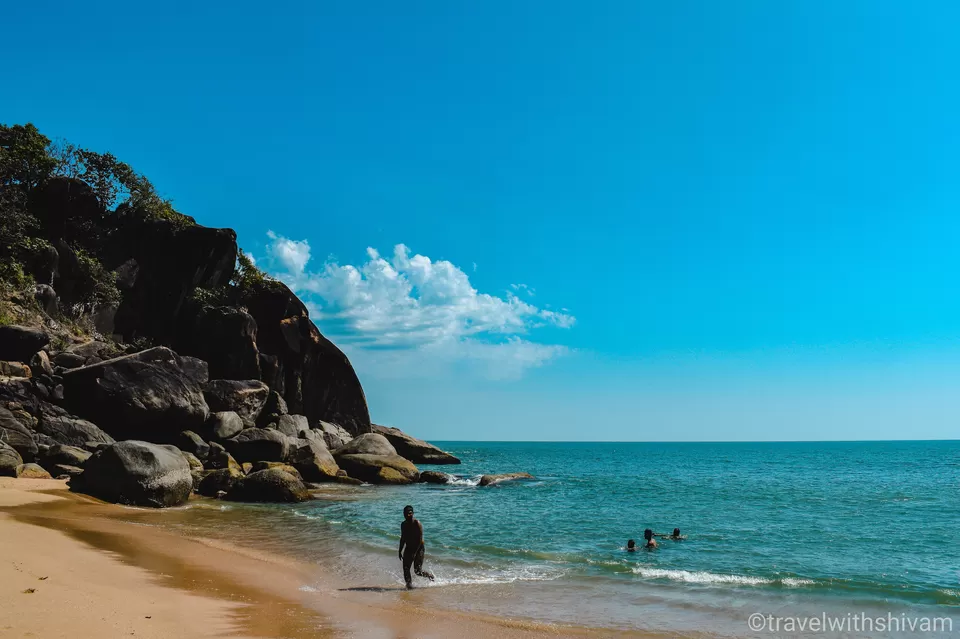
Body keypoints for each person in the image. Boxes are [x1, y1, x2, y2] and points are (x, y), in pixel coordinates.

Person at [398, 505, 435, 588]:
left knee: (417, 571)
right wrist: (400, 550)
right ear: (403, 514)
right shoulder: (403, 524)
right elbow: (403, 538)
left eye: (410, 513)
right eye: (406, 514)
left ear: (413, 513)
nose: (408, 515)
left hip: (419, 548)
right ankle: (409, 586)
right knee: (406, 568)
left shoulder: (417, 523)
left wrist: (414, 553)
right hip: (409, 547)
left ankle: (430, 576)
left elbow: (419, 539)